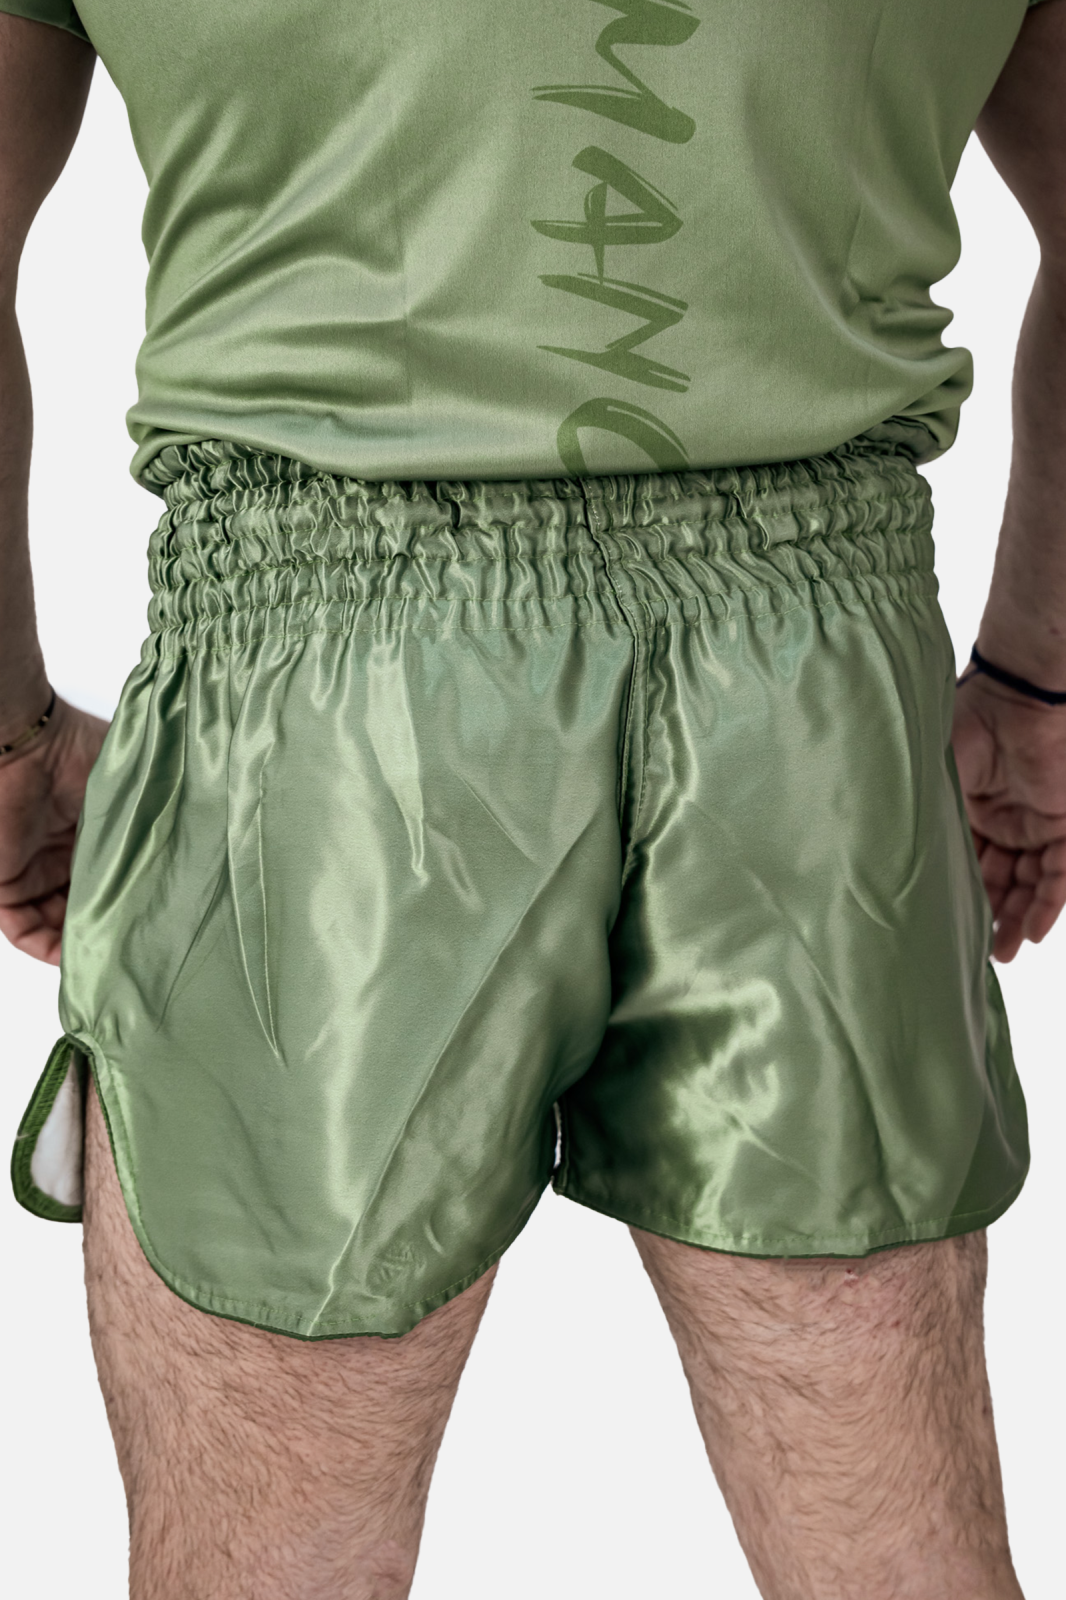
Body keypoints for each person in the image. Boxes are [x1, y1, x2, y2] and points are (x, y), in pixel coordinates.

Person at [1, 1, 1064, 1595]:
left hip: (319, 696)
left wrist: (10, 750)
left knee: (268, 1561)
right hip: (817, 698)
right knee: (888, 1550)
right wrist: (1038, 682)